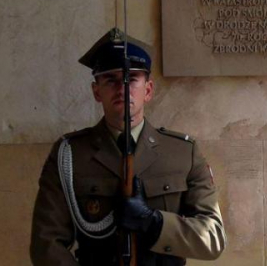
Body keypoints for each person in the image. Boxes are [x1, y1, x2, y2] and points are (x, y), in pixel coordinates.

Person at [30, 28, 226, 265]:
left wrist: (153, 222)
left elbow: (212, 239)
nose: (122, 89)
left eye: (131, 79)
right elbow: (46, 243)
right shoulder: (70, 154)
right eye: (111, 80)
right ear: (96, 91)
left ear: (149, 90)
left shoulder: (183, 153)